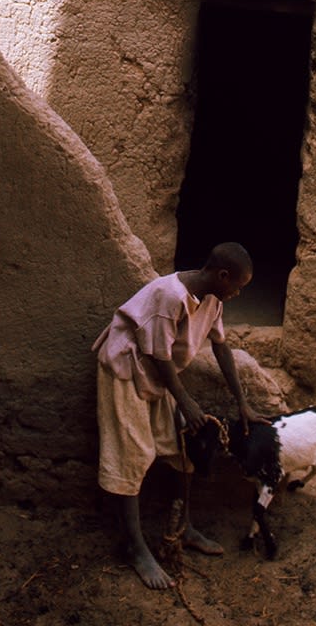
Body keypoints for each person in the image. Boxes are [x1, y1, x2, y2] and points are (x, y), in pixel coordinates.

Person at [93, 241, 265, 590]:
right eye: (238, 286)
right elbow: (158, 354)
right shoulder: (169, 297)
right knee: (132, 456)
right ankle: (136, 548)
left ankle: (183, 527)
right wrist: (184, 400)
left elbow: (220, 346)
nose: (238, 293)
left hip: (156, 376)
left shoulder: (212, 299)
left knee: (181, 450)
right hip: (127, 372)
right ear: (222, 275)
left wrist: (242, 402)